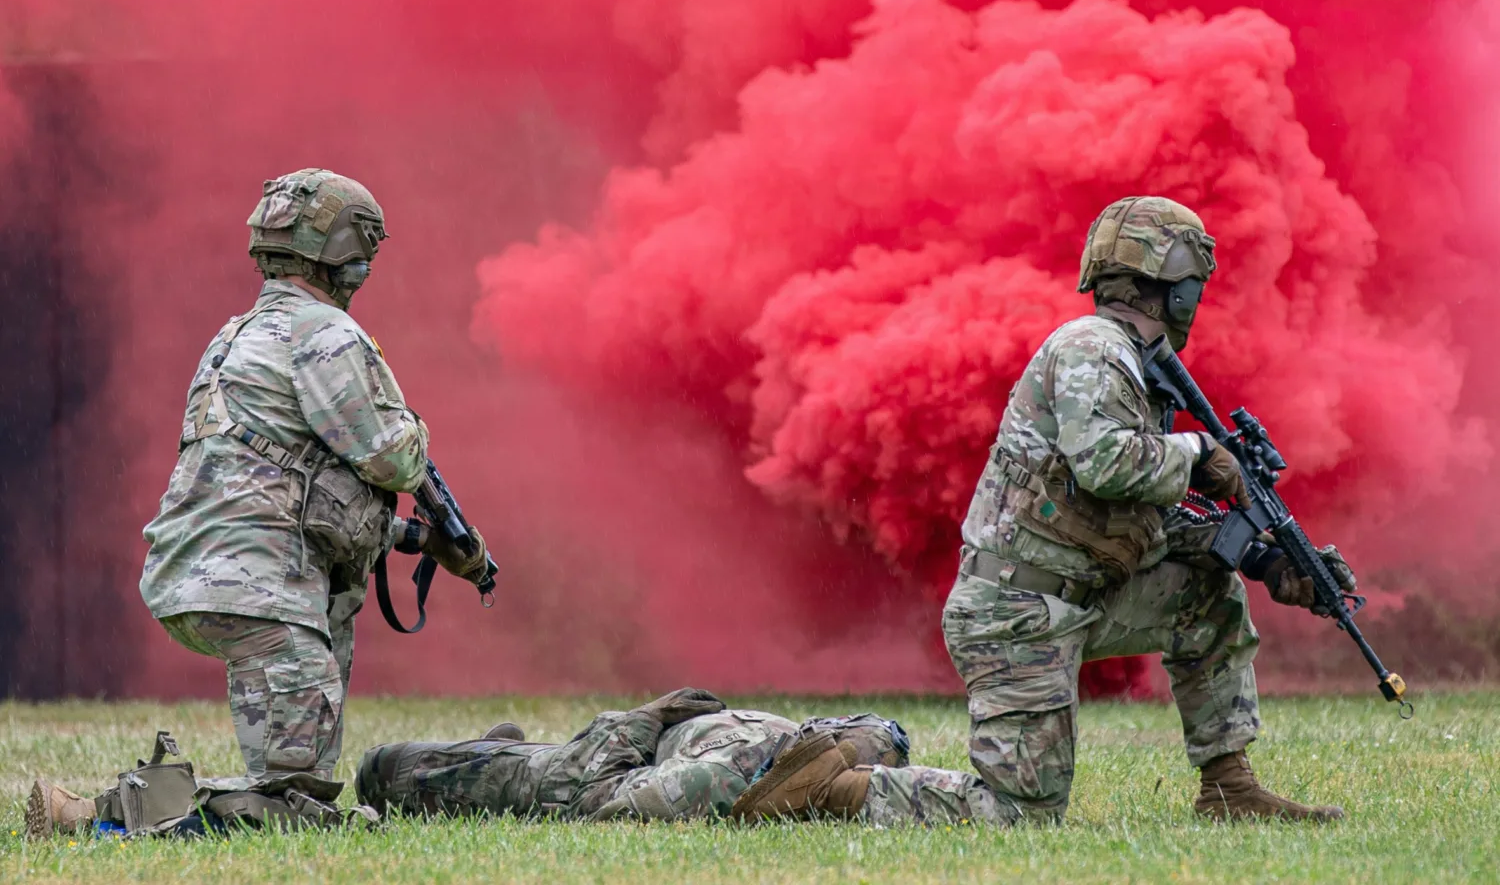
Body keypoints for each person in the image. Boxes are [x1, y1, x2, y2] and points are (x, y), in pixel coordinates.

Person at [936, 196, 1355, 824]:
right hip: (1015, 613)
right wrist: (1198, 450)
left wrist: (1265, 560)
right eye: (1195, 286)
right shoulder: (1093, 347)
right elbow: (1104, 464)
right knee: (1018, 815)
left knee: (1208, 594)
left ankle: (1230, 790)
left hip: (1075, 598)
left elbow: (1144, 514)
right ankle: (843, 784)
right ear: (1176, 289)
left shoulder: (1132, 365)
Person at [136, 169, 491, 781]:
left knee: (296, 787)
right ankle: (109, 813)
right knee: (293, 800)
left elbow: (288, 486)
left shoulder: (237, 335)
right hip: (264, 588)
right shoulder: (323, 332)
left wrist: (414, 537)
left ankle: (130, 811)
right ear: (342, 253)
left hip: (204, 578)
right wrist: (410, 424)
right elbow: (393, 459)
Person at [355, 688, 1019, 828]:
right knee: (870, 746)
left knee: (874, 740)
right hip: (739, 751)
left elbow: (593, 797)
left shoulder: (542, 770)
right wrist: (640, 722)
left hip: (736, 749)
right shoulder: (553, 777)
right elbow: (595, 800)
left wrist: (640, 722)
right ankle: (821, 783)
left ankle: (820, 780)